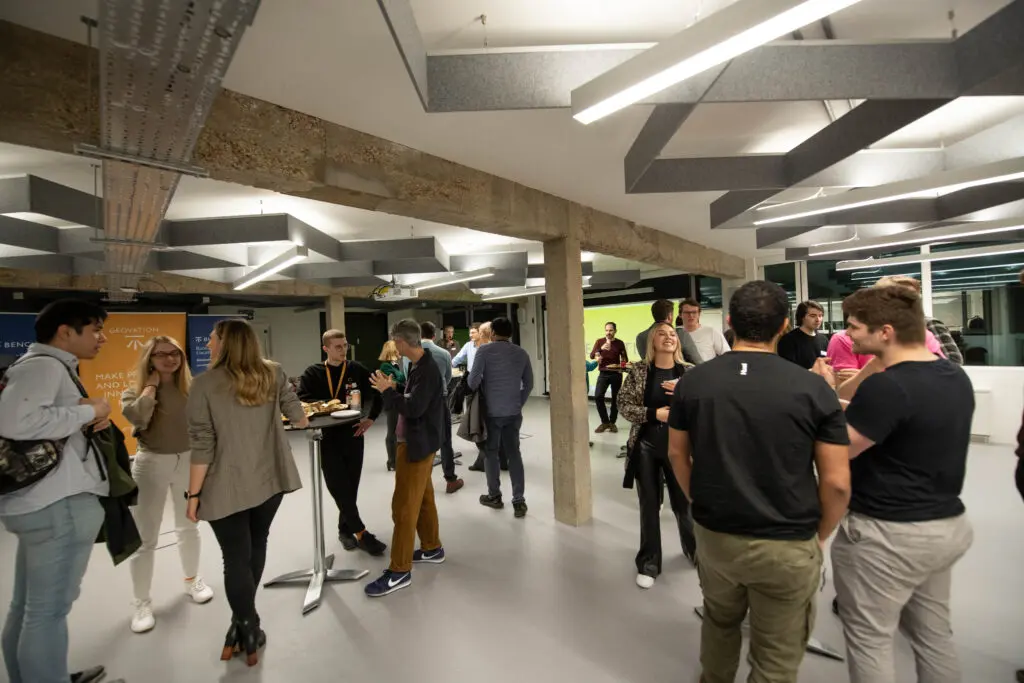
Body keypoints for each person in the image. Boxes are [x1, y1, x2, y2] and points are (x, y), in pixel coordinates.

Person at [667, 281, 851, 683]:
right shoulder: (813, 388)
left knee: (718, 622)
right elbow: (837, 483)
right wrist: (818, 535)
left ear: (729, 323)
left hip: (715, 534)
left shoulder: (694, 383)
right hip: (787, 540)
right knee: (775, 661)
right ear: (785, 325)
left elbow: (678, 454)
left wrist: (699, 504)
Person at [830, 286, 974, 683]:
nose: (850, 336)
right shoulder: (953, 376)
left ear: (886, 332)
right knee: (933, 637)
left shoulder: (887, 386)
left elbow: (842, 448)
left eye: (855, 328)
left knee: (870, 638)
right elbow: (898, 421)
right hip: (944, 527)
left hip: (889, 535)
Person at [0, 300, 124, 683]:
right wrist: (90, 411)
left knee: (27, 606)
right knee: (47, 612)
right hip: (58, 504)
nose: (101, 338)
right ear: (65, 332)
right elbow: (16, 420)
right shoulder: (44, 366)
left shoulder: (41, 367)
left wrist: (82, 413)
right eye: (94, 330)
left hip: (42, 504)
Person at [185, 319, 308, 666]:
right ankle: (247, 625)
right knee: (256, 546)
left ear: (224, 343)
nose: (208, 344)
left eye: (211, 338)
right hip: (269, 480)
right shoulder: (274, 372)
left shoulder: (204, 384)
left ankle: (245, 623)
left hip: (225, 484)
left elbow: (202, 444)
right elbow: (297, 417)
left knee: (234, 557)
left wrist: (193, 495)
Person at [120, 336, 213, 635]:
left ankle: (191, 581)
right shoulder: (135, 391)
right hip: (151, 464)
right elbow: (137, 416)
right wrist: (151, 387)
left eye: (175, 353)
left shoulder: (192, 388)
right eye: (161, 354)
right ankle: (141, 602)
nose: (170, 359)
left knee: (189, 526)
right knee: (146, 538)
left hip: (188, 462)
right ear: (149, 359)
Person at [366, 319, 446, 597]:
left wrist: (388, 391)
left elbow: (413, 409)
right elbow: (413, 399)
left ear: (400, 341)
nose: (393, 346)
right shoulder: (419, 366)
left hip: (416, 444)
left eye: (394, 341)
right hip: (419, 442)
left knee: (403, 508)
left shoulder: (427, 370)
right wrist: (395, 389)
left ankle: (400, 571)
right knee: (423, 500)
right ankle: (432, 547)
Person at [618, 322, 695, 588]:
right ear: (652, 341)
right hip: (646, 448)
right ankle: (649, 562)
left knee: (685, 504)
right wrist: (654, 414)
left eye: (672, 334)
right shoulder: (640, 371)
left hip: (681, 451)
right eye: (661, 334)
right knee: (649, 506)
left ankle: (695, 550)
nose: (668, 337)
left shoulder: (689, 373)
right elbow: (624, 405)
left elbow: (703, 409)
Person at [297, 329, 386, 556]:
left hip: (353, 434)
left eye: (345, 345)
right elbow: (302, 400)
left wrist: (370, 419)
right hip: (327, 436)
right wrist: (328, 405)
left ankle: (344, 529)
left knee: (351, 486)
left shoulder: (356, 369)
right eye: (337, 346)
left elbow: (376, 393)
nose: (343, 350)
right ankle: (361, 532)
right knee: (338, 485)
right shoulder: (313, 373)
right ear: (325, 348)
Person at [468, 316, 534, 517]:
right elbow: (529, 384)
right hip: (513, 412)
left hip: (491, 413)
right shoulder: (521, 353)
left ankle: (494, 496)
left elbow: (472, 382)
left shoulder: (484, 351)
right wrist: (518, 402)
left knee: (491, 453)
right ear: (511, 333)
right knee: (514, 454)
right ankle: (519, 500)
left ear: (493, 333)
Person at [420, 321, 464, 495]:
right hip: (439, 400)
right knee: (445, 439)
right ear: (435, 335)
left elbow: (408, 377)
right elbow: (447, 377)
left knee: (422, 438)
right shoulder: (443, 353)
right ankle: (450, 480)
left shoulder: (410, 354)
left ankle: (423, 480)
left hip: (420, 401)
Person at [636, 299, 703, 367]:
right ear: (669, 316)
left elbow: (646, 363)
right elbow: (697, 361)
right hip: (679, 376)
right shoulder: (680, 334)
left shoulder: (640, 337)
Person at [590, 322, 629, 433]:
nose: (608, 333)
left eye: (611, 330)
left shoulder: (619, 343)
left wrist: (623, 362)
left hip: (616, 373)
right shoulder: (599, 342)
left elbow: (625, 358)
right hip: (603, 373)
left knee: (615, 399)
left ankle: (612, 423)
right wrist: (600, 349)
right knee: (598, 396)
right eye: (606, 330)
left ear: (615, 331)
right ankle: (605, 422)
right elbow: (592, 355)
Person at [378, 340, 405, 472]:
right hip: (392, 402)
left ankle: (396, 459)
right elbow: (392, 383)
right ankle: (392, 461)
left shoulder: (394, 365)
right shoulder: (385, 367)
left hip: (397, 400)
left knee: (397, 430)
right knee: (392, 431)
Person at [777, 300, 828, 369]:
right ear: (802, 317)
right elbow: (788, 369)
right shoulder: (789, 340)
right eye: (813, 316)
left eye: (820, 316)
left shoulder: (823, 339)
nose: (818, 319)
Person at [678, 298, 730, 362]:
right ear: (680, 315)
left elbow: (727, 355)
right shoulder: (675, 333)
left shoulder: (711, 332)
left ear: (699, 314)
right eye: (687, 312)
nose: (691, 315)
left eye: (694, 312)